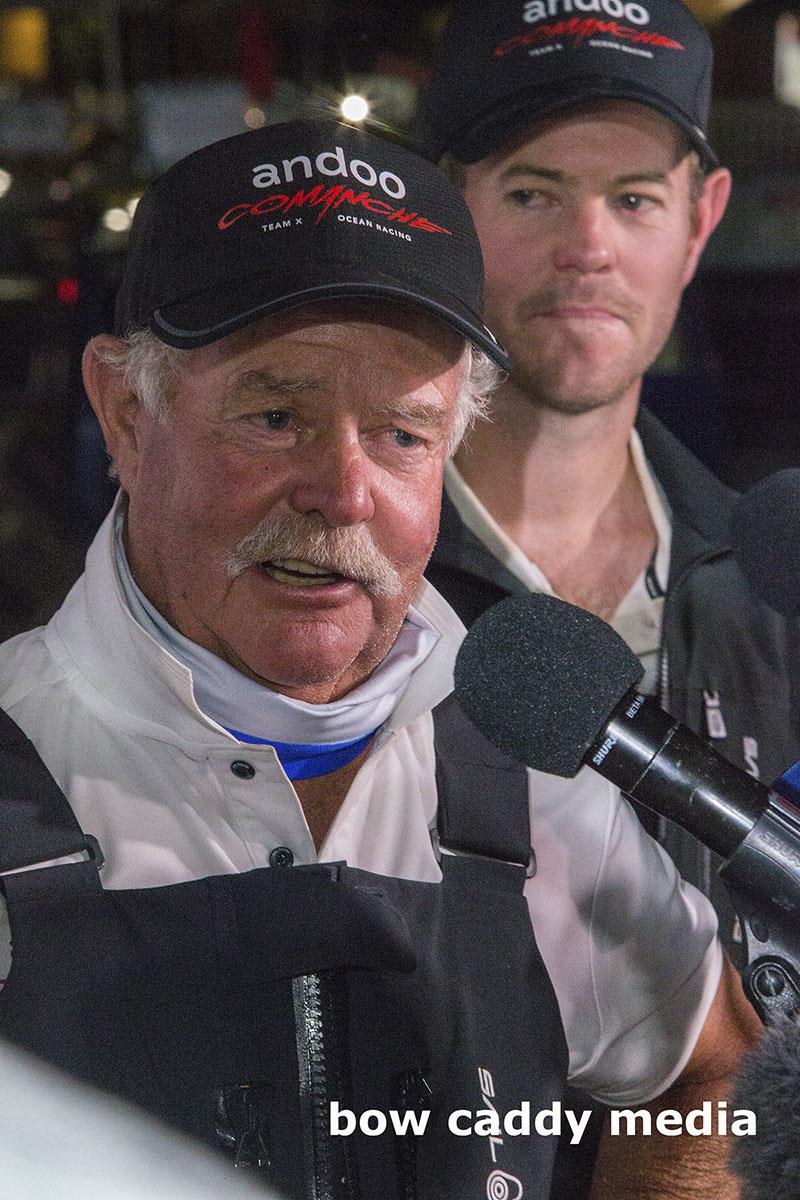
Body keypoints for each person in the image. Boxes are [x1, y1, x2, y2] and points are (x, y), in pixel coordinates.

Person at [0, 118, 756, 1199]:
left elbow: (711, 1072)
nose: (343, 494)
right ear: (126, 412)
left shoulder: (539, 789)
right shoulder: (15, 769)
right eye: (274, 416)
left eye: (403, 434)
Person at [417, 0, 800, 960]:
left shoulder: (775, 588)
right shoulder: (344, 584)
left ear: (699, 221)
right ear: (442, 211)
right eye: (532, 194)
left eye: (634, 199)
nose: (589, 247)